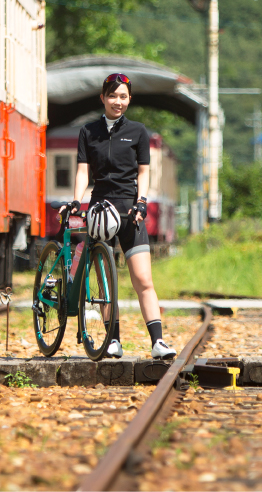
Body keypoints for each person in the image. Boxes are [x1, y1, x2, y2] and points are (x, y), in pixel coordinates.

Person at [66, 73, 177, 360]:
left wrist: (142, 202)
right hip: (100, 211)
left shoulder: (139, 132)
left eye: (124, 96)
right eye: (113, 96)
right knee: (105, 281)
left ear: (130, 99)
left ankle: (158, 341)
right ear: (102, 98)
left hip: (130, 213)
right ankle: (112, 339)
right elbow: (82, 171)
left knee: (143, 279)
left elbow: (143, 173)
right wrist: (76, 201)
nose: (118, 101)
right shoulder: (88, 132)